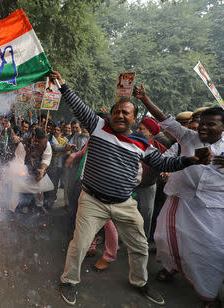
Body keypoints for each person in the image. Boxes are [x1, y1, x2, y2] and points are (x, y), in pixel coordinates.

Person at [50, 70, 211, 306]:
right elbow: (78, 105)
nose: (120, 116)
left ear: (134, 118)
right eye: (116, 112)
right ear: (110, 115)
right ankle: (69, 281)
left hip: (124, 203)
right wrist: (63, 85)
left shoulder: (142, 143)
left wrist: (191, 159)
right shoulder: (97, 126)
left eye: (126, 113)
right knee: (80, 244)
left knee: (140, 246)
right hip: (92, 201)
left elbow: (165, 162)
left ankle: (140, 282)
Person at [134, 83, 224, 308]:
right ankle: (170, 267)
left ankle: (209, 294)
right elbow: (166, 120)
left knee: (211, 251)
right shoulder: (188, 137)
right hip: (180, 200)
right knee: (166, 239)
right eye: (202, 124)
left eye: (210, 125)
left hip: (212, 209)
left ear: (223, 127)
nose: (203, 129)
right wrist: (145, 99)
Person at [8, 127, 53, 213]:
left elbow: (46, 158)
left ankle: (39, 205)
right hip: (24, 169)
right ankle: (13, 208)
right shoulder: (23, 144)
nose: (37, 143)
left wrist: (42, 170)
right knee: (16, 187)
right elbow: (19, 161)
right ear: (32, 137)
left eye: (39, 141)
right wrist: (24, 172)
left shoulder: (46, 144)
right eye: (36, 140)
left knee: (39, 188)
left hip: (37, 169)